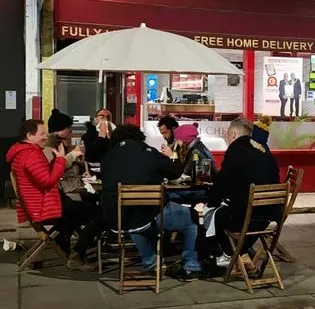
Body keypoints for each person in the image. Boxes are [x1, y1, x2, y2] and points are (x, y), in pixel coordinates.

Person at [100, 124, 202, 281]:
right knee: (191, 217)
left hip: (115, 219)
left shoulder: (108, 157)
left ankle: (152, 263)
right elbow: (176, 171)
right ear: (139, 137)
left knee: (134, 220)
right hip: (147, 215)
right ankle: (191, 266)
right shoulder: (147, 152)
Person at [6, 119, 98, 271]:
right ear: (30, 135)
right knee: (97, 213)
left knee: (77, 213)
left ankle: (65, 245)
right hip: (44, 207)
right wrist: (61, 160)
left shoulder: (25, 152)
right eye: (42, 133)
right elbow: (48, 181)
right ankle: (77, 255)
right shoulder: (30, 155)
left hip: (41, 204)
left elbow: (44, 176)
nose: (45, 137)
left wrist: (58, 161)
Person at [205, 116, 280, 266]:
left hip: (245, 218)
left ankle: (228, 254)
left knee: (215, 212)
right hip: (269, 216)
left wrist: (211, 200)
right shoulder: (266, 151)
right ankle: (242, 253)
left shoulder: (235, 150)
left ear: (233, 134)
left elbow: (223, 183)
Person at [163, 123, 217, 205]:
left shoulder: (196, 152)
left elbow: (183, 175)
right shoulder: (195, 148)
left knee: (165, 195)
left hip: (202, 191)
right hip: (200, 189)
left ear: (184, 139)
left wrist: (172, 156)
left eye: (178, 139)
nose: (176, 142)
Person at [81, 108, 115, 178]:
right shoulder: (90, 134)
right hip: (93, 170)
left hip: (111, 169)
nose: (105, 119)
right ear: (96, 119)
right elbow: (88, 154)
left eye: (108, 117)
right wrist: (101, 137)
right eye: (102, 116)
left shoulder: (116, 135)